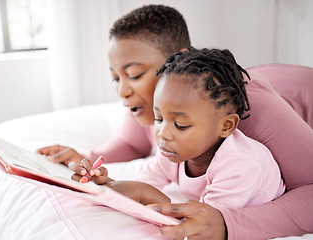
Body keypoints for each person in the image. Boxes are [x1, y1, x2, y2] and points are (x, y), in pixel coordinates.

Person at [37, 4, 313, 240]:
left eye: (134, 74)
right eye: (115, 77)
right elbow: (130, 143)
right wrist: (87, 160)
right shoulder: (163, 105)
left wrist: (229, 224)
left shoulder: (247, 110)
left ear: (175, 59)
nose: (122, 91)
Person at [71, 47, 286, 213]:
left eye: (180, 124)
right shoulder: (171, 152)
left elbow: (206, 221)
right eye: (159, 118)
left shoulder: (241, 166)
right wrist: (109, 184)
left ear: (226, 126)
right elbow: (143, 184)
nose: (163, 133)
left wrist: (149, 197)